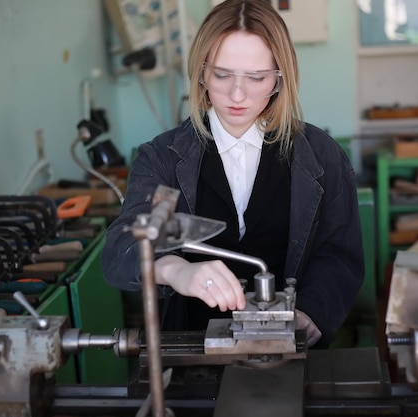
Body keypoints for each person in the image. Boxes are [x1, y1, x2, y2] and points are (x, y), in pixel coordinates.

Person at [101, 0, 364, 348]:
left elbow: (338, 254)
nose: (237, 94)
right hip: (189, 350)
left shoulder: (322, 156)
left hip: (289, 349)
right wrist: (175, 270)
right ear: (202, 73)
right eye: (222, 75)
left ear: (280, 79)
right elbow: (122, 246)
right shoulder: (162, 159)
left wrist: (311, 314)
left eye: (256, 78)